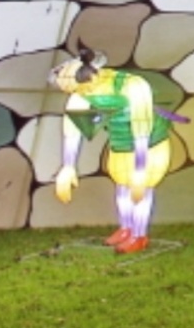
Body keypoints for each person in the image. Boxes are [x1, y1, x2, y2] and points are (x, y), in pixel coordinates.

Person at [49, 47, 174, 254]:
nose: (78, 94)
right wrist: (68, 166)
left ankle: (139, 235)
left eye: (80, 89)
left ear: (91, 77)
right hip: (119, 144)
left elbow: (141, 129)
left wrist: (140, 168)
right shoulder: (80, 94)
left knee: (141, 189)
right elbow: (73, 130)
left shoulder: (133, 86)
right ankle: (126, 228)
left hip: (150, 144)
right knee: (122, 187)